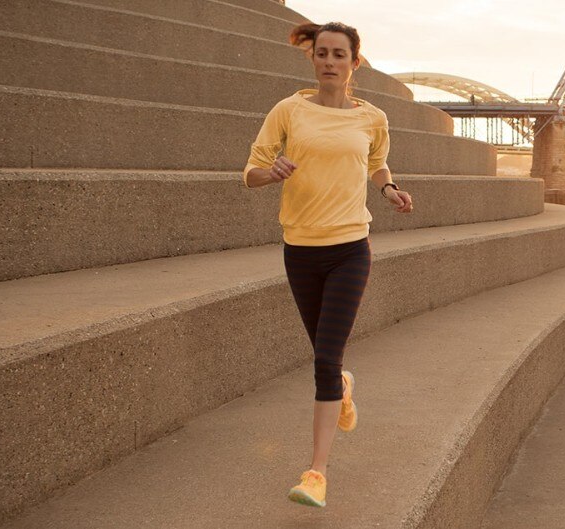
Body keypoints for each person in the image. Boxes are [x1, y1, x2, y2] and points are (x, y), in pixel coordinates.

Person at [243, 21, 414, 508]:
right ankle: (341, 386)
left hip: (349, 248)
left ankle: (316, 472)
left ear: (354, 62)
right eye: (322, 54)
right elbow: (251, 170)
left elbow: (376, 163)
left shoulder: (372, 118)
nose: (330, 62)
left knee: (323, 356)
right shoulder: (288, 111)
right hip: (300, 249)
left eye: (340, 55)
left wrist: (388, 189)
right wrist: (270, 172)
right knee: (324, 353)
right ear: (312, 59)